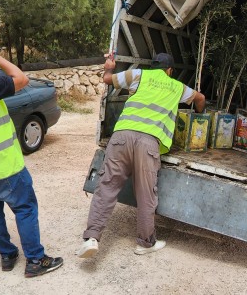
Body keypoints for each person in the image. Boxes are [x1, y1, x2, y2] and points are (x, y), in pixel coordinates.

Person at [77, 53, 206, 258]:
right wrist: (200, 115)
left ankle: (92, 238)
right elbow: (200, 98)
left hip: (121, 136)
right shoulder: (177, 86)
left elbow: (108, 80)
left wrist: (109, 66)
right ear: (169, 71)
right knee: (146, 194)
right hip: (148, 142)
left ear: (153, 66)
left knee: (107, 187)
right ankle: (145, 243)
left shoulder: (139, 75)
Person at [0, 44, 63, 277]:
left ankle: (7, 254)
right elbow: (21, 79)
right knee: (25, 209)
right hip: (6, 167)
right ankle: (35, 260)